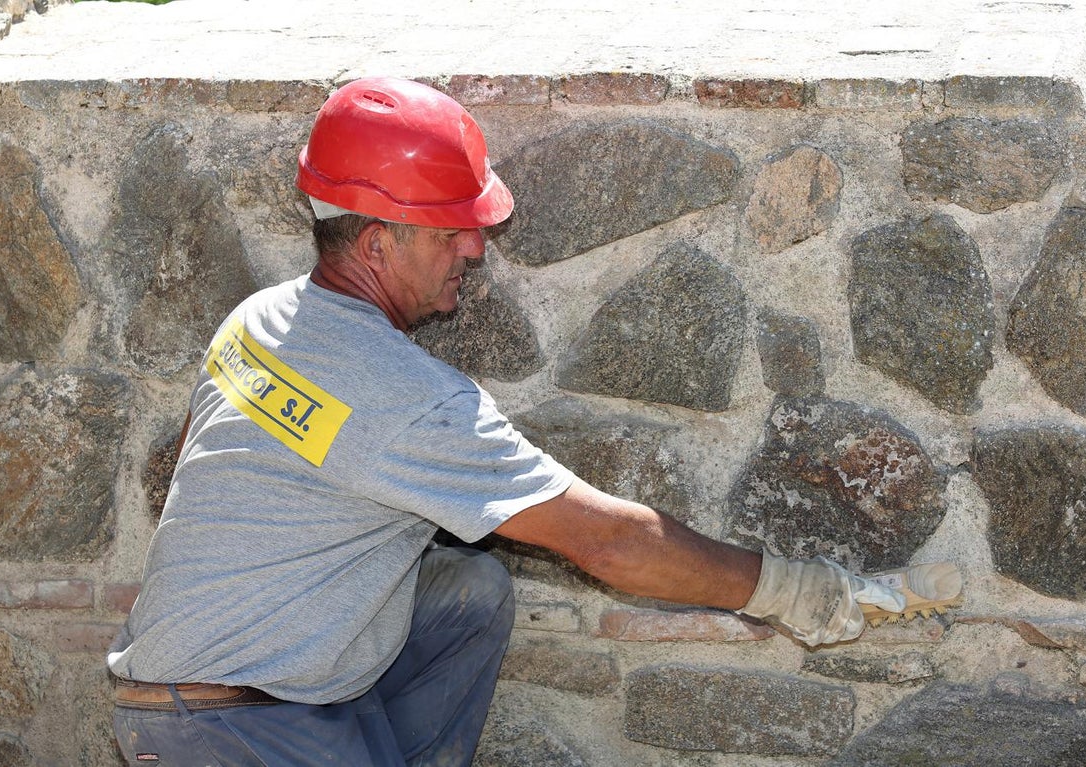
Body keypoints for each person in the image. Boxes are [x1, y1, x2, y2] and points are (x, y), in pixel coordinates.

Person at [107, 76, 903, 767]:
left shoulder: (255, 321)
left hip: (160, 696)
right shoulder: (410, 398)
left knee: (469, 590)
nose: (475, 248)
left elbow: (189, 470)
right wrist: (788, 588)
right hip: (236, 732)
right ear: (378, 244)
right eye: (451, 229)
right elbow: (607, 539)